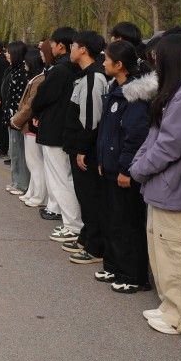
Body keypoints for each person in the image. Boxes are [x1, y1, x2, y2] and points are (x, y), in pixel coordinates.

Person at [129, 33, 181, 336]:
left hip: (176, 187)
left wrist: (139, 169)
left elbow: (169, 145)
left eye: (158, 57)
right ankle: (171, 307)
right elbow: (156, 138)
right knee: (163, 254)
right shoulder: (177, 92)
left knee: (178, 255)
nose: (154, 62)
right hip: (163, 186)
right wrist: (140, 165)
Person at [97, 40, 155, 294]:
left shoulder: (136, 95)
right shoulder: (115, 89)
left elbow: (135, 135)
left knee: (128, 224)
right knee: (113, 220)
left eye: (107, 59)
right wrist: (103, 160)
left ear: (119, 64)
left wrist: (125, 168)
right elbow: (107, 132)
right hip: (110, 166)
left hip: (124, 170)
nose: (103, 63)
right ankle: (114, 266)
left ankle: (134, 275)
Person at [32, 27, 84, 242]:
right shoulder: (74, 69)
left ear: (61, 46)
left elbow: (42, 96)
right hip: (64, 128)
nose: (50, 48)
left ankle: (72, 224)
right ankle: (70, 219)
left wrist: (36, 109)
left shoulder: (60, 70)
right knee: (65, 177)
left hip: (55, 129)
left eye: (52, 44)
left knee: (60, 178)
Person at [63, 31, 109, 265]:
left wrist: (83, 149)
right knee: (84, 195)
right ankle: (87, 236)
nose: (70, 50)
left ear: (83, 49)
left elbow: (91, 118)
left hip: (86, 149)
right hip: (78, 145)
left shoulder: (94, 77)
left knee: (91, 197)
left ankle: (96, 247)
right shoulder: (84, 76)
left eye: (73, 46)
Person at [12, 52, 48, 208]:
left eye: (26, 62)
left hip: (31, 124)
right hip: (28, 125)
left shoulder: (39, 79)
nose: (24, 65)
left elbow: (30, 105)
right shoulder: (36, 78)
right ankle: (32, 192)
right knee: (32, 162)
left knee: (35, 162)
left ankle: (40, 196)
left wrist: (16, 120)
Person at [1, 42, 29, 193]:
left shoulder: (22, 73)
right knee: (14, 151)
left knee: (19, 151)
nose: (6, 54)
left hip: (17, 118)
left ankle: (21, 184)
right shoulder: (12, 70)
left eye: (9, 52)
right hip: (10, 115)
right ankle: (16, 181)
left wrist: (16, 117)